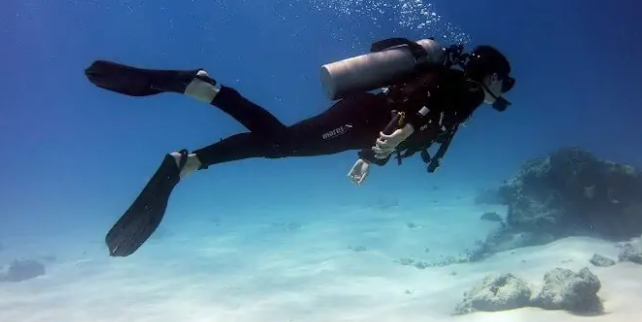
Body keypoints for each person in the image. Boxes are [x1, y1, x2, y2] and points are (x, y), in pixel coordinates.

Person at [85, 38, 515, 257]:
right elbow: (415, 107)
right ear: (489, 75)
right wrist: (396, 135)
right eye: (503, 80)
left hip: (363, 127)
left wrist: (370, 157)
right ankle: (207, 95)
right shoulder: (461, 90)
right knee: (282, 143)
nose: (504, 89)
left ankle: (190, 160)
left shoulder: (459, 90)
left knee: (280, 145)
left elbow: (415, 114)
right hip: (361, 119)